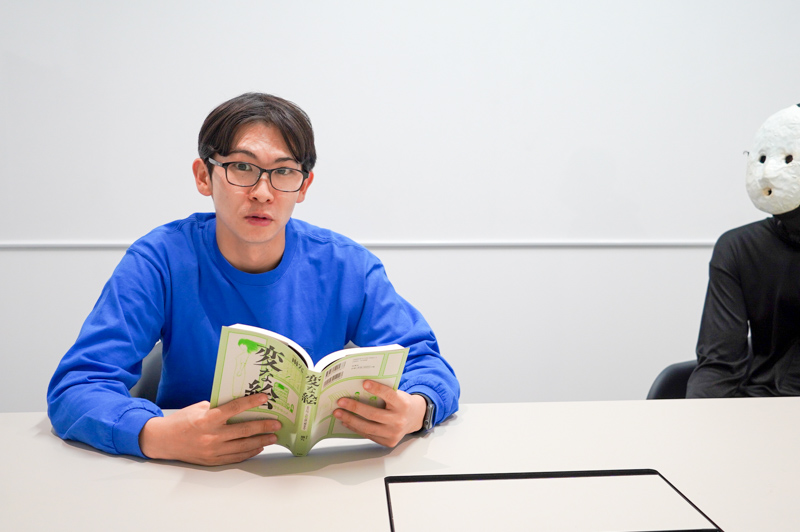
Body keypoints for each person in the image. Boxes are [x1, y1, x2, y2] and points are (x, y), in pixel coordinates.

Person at [47, 93, 460, 465]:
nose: (263, 192)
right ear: (203, 176)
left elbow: (427, 364)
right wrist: (156, 436)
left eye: (284, 172)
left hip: (309, 475)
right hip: (187, 472)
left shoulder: (346, 266)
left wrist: (416, 410)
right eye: (242, 167)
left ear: (304, 185)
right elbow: (78, 386)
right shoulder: (160, 260)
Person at [687, 104, 800, 397]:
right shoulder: (739, 248)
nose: (769, 174)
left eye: (789, 159)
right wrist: (696, 417)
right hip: (760, 407)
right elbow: (719, 364)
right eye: (762, 159)